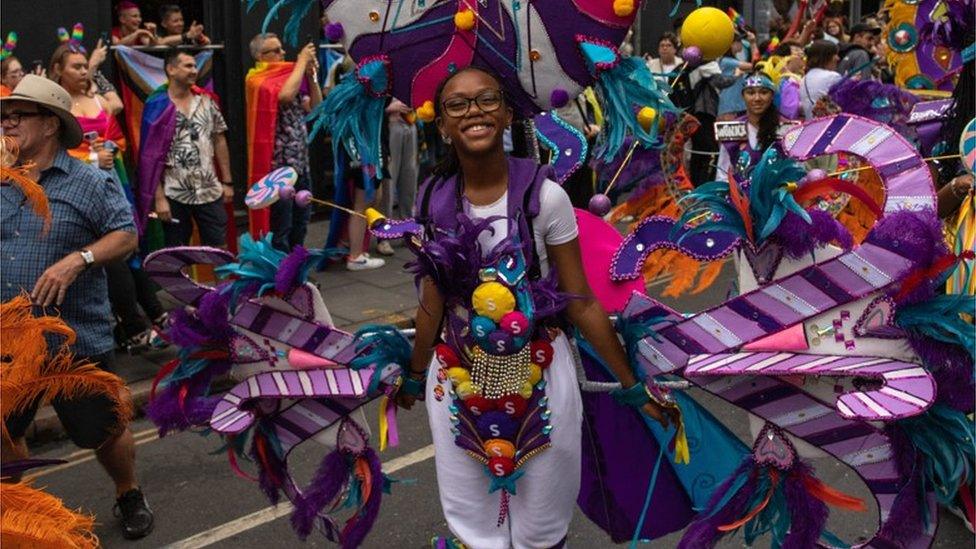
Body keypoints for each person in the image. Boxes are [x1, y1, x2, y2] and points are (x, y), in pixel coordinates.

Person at [398, 67, 671, 547]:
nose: (474, 112)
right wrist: (415, 375)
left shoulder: (546, 197)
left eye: (486, 100)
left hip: (542, 376)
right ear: (440, 124)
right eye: (457, 105)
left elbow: (582, 302)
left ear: (507, 114)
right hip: (455, 378)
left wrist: (633, 387)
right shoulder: (430, 201)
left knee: (542, 528)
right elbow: (431, 304)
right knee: (471, 526)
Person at [0, 74, 154, 539]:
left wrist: (78, 259)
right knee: (4, 431)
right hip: (9, 342)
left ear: (49, 125)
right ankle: (16, 510)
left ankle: (128, 493)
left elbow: (126, 234)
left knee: (103, 432)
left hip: (75, 336)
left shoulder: (90, 179)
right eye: (3, 117)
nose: (6, 123)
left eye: (16, 116)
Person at [51, 42, 168, 352]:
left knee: (129, 248)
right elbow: (54, 153)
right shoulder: (57, 110)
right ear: (58, 71)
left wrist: (96, 69)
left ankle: (152, 316)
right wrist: (91, 158)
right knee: (109, 255)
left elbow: (115, 125)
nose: (82, 71)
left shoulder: (99, 100)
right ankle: (134, 324)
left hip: (113, 181)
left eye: (83, 65)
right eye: (75, 66)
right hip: (77, 189)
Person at [145, 50, 233, 247]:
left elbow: (219, 140)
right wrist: (159, 199)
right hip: (174, 192)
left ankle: (225, 280)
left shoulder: (207, 100)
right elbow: (150, 157)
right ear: (171, 69)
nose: (194, 70)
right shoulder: (157, 105)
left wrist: (227, 182)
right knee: (176, 253)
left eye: (195, 66)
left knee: (220, 250)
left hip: (209, 188)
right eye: (188, 66)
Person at [247, 33, 322, 251]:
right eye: (276, 51)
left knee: (301, 223)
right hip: (278, 170)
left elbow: (316, 108)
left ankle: (296, 273)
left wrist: (311, 76)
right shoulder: (256, 79)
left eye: (282, 49)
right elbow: (284, 96)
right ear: (262, 56)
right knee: (282, 228)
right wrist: (301, 62)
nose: (282, 54)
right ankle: (280, 278)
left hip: (300, 163)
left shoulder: (291, 77)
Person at [715, 72, 787, 184]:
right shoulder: (731, 129)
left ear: (772, 95)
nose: (757, 98)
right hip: (740, 198)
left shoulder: (786, 129)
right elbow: (723, 175)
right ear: (743, 96)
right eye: (751, 93)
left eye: (763, 92)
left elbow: (797, 170)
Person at [376, 98, 419, 256]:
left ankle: (408, 230)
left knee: (410, 180)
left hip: (410, 124)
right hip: (389, 126)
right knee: (388, 182)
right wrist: (388, 108)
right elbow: (367, 103)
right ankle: (384, 235)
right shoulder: (378, 76)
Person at [800, 40, 842, 119]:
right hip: (830, 125)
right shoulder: (833, 77)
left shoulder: (804, 79)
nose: (838, 58)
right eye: (835, 54)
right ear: (827, 56)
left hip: (811, 126)